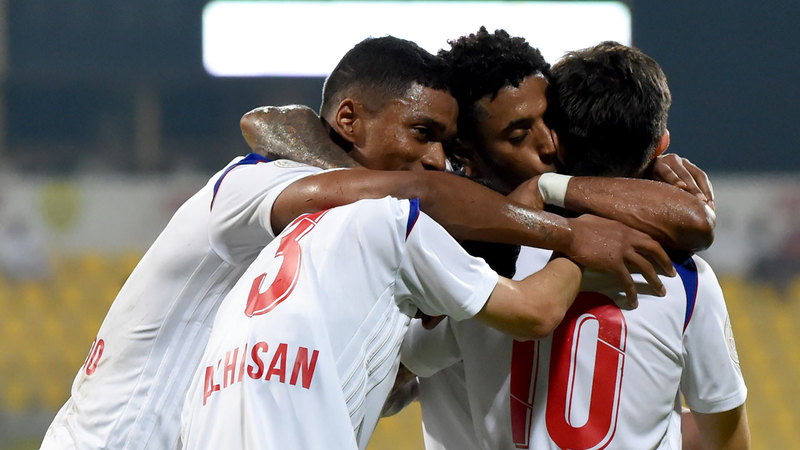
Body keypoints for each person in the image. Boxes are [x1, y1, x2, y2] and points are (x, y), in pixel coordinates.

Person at [41, 35, 670, 450]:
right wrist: (571, 233)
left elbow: (391, 377)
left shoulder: (360, 245)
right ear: (347, 119)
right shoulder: (250, 184)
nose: (434, 159)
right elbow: (414, 194)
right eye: (421, 133)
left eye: (444, 145)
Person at [402, 41, 749, 449]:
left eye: (547, 126)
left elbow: (406, 360)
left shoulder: (472, 271)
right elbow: (726, 440)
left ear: (564, 142)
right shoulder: (685, 278)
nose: (546, 146)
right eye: (519, 134)